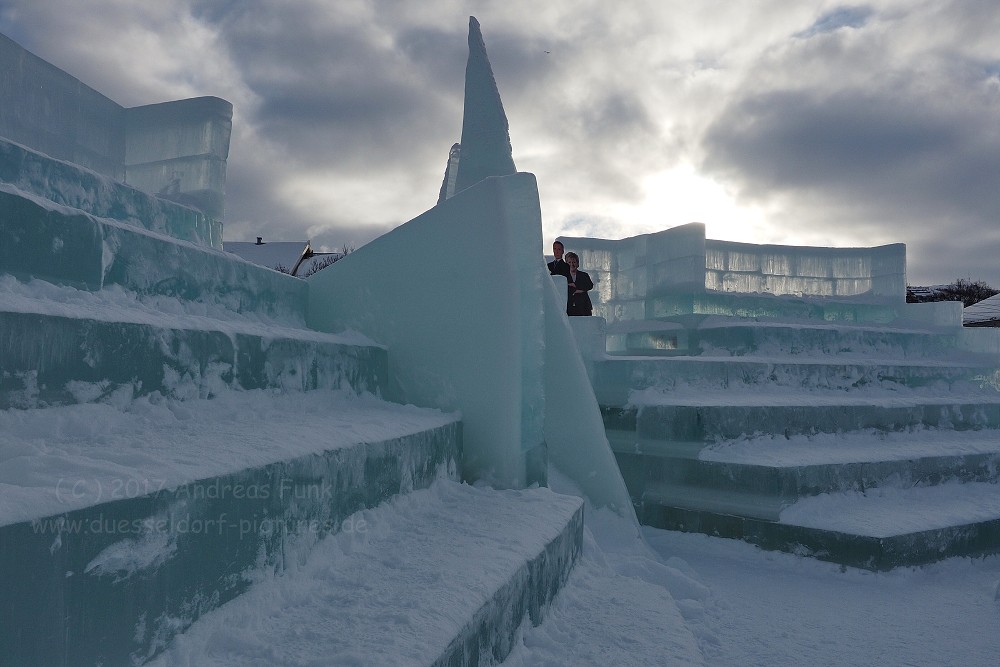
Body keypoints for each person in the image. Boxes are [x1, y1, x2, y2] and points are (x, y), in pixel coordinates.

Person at [564, 252, 593, 316]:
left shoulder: (584, 275)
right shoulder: (563, 277)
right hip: (569, 307)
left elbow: (590, 285)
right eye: (569, 262)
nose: (572, 264)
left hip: (584, 306)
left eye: (574, 262)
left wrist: (576, 288)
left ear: (577, 263)